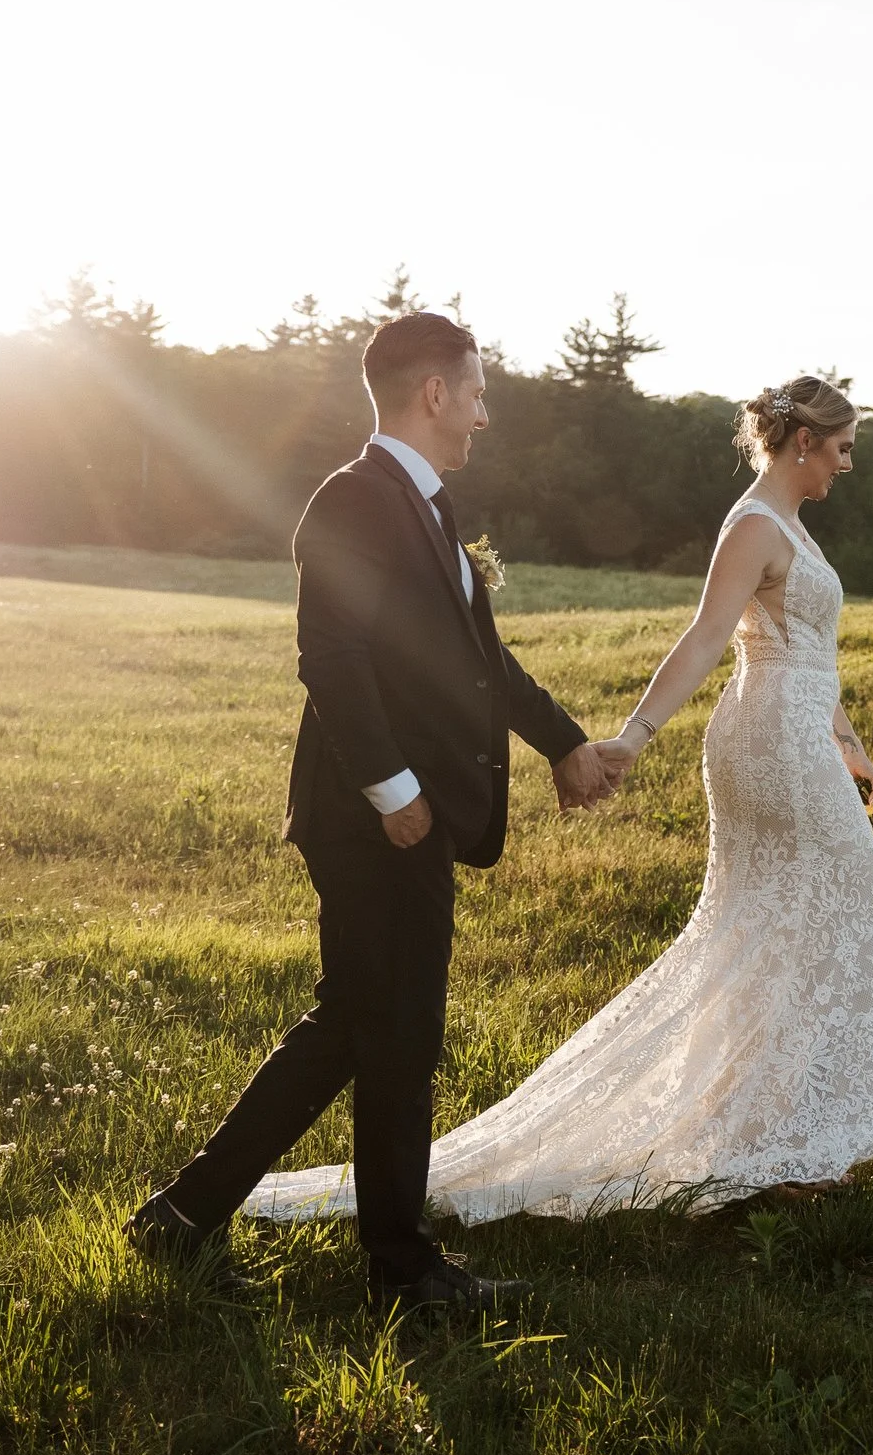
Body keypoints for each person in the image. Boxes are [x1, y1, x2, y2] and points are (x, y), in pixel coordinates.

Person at [244, 374, 873, 1230]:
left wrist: (848, 741)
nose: (847, 466)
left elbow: (813, 654)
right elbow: (708, 635)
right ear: (802, 442)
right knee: (837, 913)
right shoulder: (752, 524)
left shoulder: (795, 529)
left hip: (805, 734)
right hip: (769, 747)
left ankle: (783, 1125)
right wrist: (631, 736)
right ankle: (783, 1133)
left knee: (801, 923)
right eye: (844, 448)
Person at [125, 312, 624, 1313]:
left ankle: (184, 1218)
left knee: (361, 1023)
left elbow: (481, 664)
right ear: (432, 392)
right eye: (477, 392)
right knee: (393, 1029)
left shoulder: (431, 512)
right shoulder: (353, 499)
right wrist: (393, 791)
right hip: (374, 815)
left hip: (409, 811)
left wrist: (565, 743)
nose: (484, 415)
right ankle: (399, 1266)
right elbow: (333, 655)